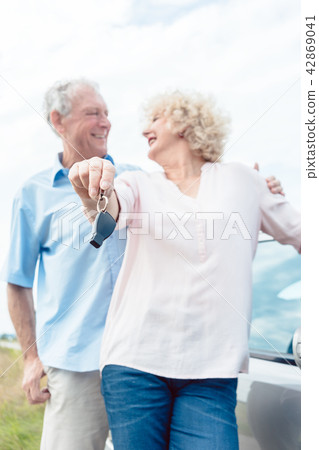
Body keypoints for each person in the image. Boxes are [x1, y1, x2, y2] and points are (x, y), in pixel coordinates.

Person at [69, 90, 301, 450]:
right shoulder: (138, 184)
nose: (145, 128)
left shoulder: (246, 180)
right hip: (134, 366)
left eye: (156, 119)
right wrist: (91, 190)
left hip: (212, 373)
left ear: (185, 123)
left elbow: (303, 233)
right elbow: (109, 211)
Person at [1, 78, 139, 450]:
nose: (106, 122)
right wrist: (30, 358)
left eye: (107, 113)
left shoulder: (135, 179)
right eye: (93, 112)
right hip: (76, 367)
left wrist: (259, 186)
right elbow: (17, 282)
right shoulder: (33, 194)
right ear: (58, 121)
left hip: (141, 363)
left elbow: (192, 198)